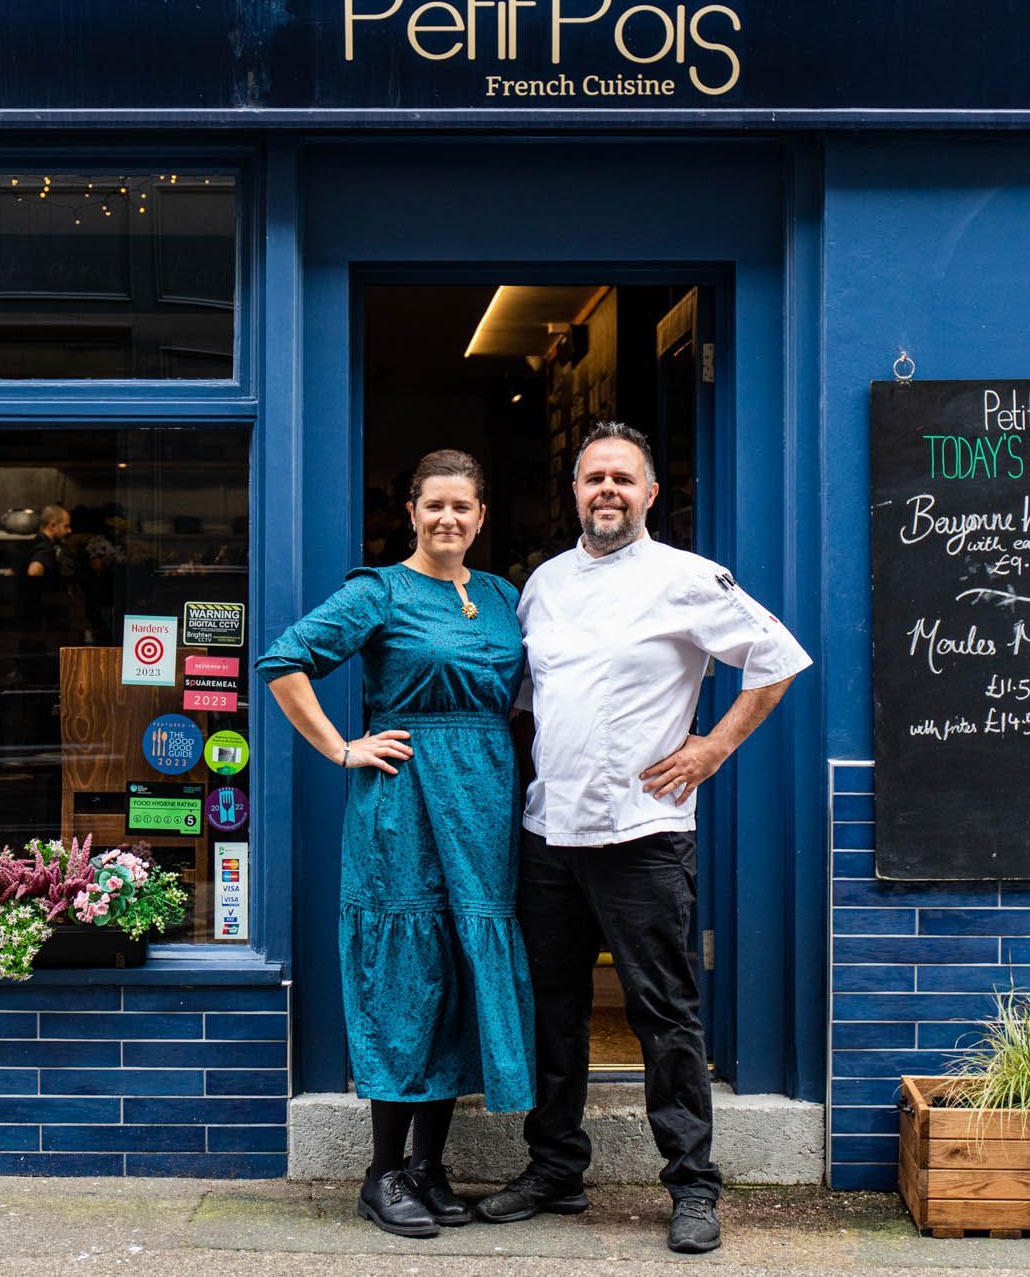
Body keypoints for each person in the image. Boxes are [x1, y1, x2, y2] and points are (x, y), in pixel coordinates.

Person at [477, 422, 810, 1255]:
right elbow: (527, 702)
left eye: (623, 479)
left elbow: (776, 657)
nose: (607, 492)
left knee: (665, 1014)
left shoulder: (687, 578)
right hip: (550, 833)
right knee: (554, 1011)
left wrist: (713, 745)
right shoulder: (543, 585)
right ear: (575, 491)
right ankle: (555, 1168)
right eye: (594, 479)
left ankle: (693, 1186)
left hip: (643, 833)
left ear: (651, 494)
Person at [259, 449, 535, 1240]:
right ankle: (382, 1170)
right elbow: (284, 660)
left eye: (463, 506)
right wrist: (343, 747)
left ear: (482, 517)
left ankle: (429, 1165)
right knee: (406, 974)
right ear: (412, 511)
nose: (449, 518)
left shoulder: (501, 593)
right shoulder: (378, 590)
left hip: (482, 805)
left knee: (453, 968)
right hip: (406, 806)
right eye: (434, 504)